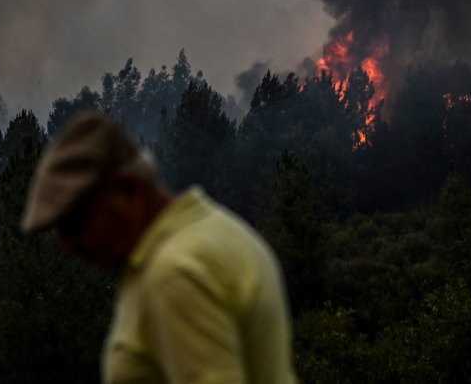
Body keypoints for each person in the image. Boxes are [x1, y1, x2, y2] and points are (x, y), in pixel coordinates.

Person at [21, 111, 299, 384]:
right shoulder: (226, 231)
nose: (69, 245)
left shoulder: (175, 272)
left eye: (75, 222)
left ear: (127, 190)